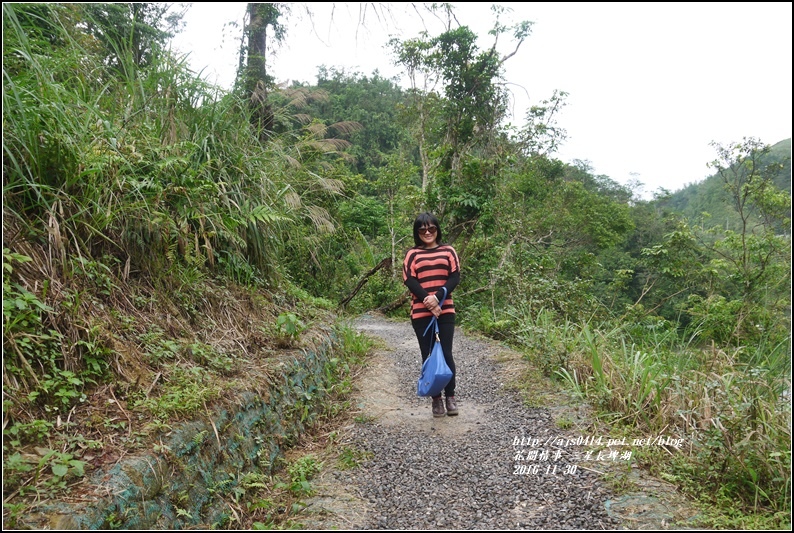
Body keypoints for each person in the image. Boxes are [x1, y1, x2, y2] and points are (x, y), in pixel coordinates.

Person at [403, 212, 461, 417]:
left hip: (445, 310)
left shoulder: (448, 251)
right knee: (428, 355)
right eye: (422, 229)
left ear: (437, 229)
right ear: (417, 233)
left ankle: (450, 397)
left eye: (431, 228)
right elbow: (409, 280)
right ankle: (436, 400)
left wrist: (438, 298)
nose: (427, 232)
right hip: (420, 313)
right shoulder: (412, 254)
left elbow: (455, 277)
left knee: (445, 354)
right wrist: (429, 303)